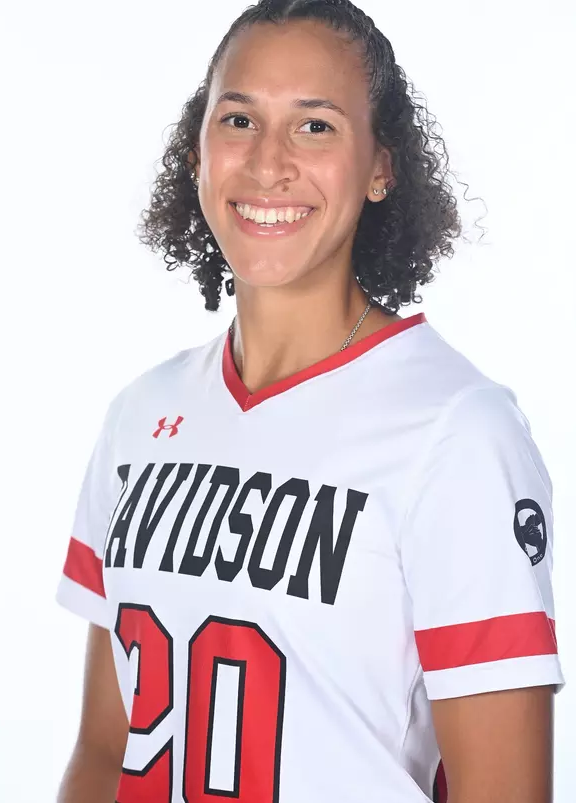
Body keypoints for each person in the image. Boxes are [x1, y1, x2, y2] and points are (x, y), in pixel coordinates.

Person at [55, 1, 564, 801]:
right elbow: (101, 748)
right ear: (198, 152)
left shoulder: (455, 431)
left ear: (380, 167)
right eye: (238, 120)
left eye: (315, 126)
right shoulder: (138, 418)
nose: (267, 163)